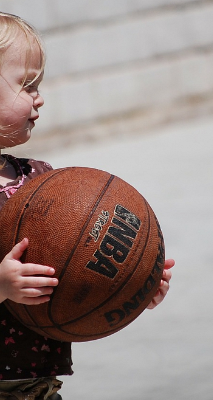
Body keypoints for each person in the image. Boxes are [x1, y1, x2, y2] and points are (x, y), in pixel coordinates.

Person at [0, 12, 174, 400]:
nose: (39, 96)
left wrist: (133, 280)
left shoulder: (40, 180)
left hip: (37, 386)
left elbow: (75, 270)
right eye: (27, 84)